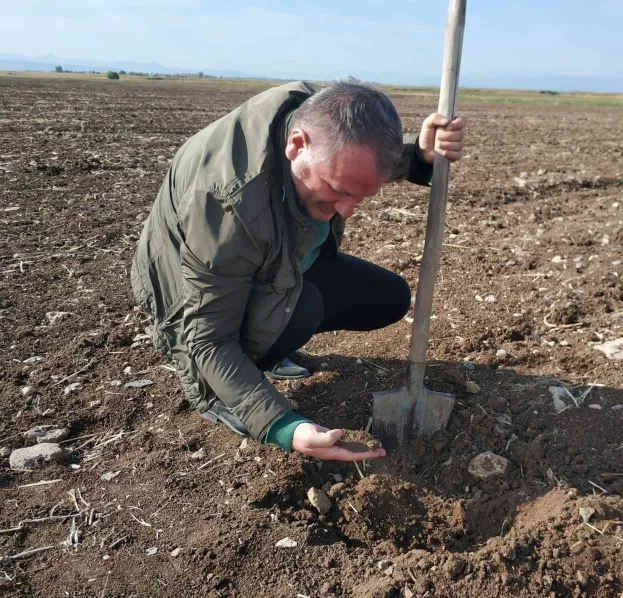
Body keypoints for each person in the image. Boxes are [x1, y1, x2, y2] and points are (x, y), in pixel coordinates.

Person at [131, 80, 466, 461]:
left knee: (387, 297)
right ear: (296, 145)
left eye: (359, 197)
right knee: (297, 310)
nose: (346, 210)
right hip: (186, 294)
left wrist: (419, 157)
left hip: (272, 256)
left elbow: (354, 161)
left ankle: (269, 337)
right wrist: (284, 427)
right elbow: (208, 340)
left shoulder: (322, 120)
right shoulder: (227, 205)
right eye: (337, 190)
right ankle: (233, 376)